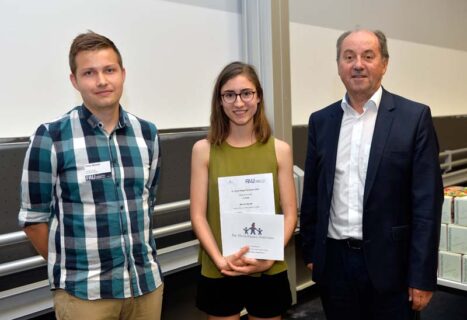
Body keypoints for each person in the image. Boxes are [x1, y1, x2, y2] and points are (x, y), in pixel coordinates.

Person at [18, 31, 163, 320]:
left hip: (145, 286)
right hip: (84, 295)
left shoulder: (147, 134)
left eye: (109, 70)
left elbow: (147, 201)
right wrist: (72, 268)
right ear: (74, 80)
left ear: (122, 74)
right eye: (89, 72)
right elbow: (33, 220)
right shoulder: (51, 137)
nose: (101, 81)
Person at [300, 29, 443, 320]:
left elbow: (427, 204)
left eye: (368, 56)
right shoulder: (321, 121)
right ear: (339, 64)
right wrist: (313, 253)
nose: (357, 64)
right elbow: (314, 192)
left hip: (393, 269)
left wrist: (422, 274)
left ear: (384, 63)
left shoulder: (413, 118)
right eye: (348, 56)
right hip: (335, 265)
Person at [190, 61, 297, 320]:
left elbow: (291, 214)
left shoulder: (279, 150)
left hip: (267, 267)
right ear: (220, 101)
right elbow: (197, 215)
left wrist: (269, 257)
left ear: (258, 97)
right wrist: (219, 260)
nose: (239, 103)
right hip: (220, 266)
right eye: (229, 95)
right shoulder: (203, 150)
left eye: (246, 93)